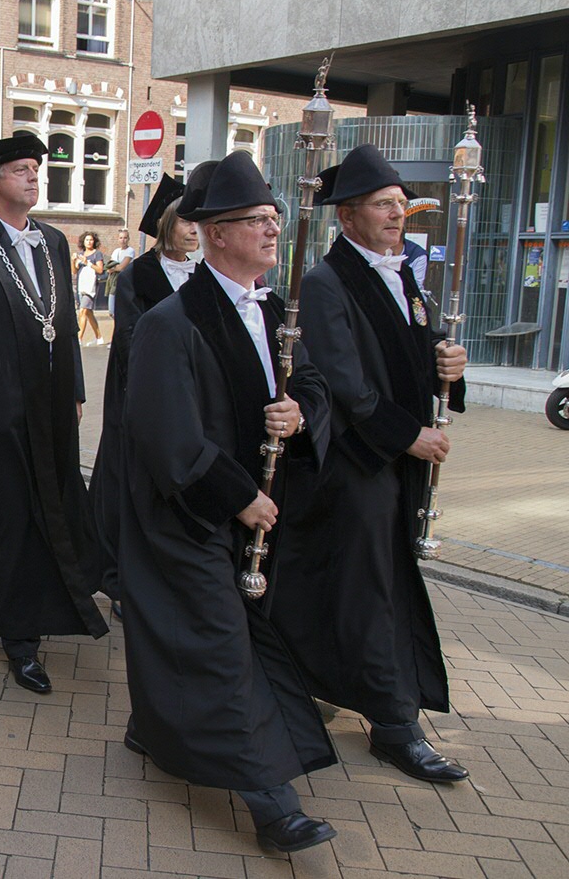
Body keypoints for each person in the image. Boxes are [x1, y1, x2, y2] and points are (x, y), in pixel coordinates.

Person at [119, 151, 337, 853]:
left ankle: (152, 724)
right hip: (188, 515)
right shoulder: (170, 322)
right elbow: (164, 433)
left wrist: (298, 413)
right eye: (256, 220)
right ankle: (272, 804)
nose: (273, 230)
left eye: (275, 218)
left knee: (227, 639)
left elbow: (317, 388)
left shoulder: (277, 310)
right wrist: (238, 495)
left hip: (256, 516)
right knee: (221, 647)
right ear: (213, 231)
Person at [269, 144, 471, 784]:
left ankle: (294, 677)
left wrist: (449, 365)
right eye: (384, 206)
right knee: (372, 590)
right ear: (348, 216)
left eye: (400, 205)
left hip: (389, 465)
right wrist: (408, 436)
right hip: (354, 466)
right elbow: (345, 382)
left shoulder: (400, 271)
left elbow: (413, 348)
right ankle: (393, 722)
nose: (397, 216)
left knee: (332, 581)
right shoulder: (327, 281)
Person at [0, 135, 107, 695]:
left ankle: (0, 601)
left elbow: (65, 331)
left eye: (37, 170)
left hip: (50, 404)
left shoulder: (54, 242)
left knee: (52, 504)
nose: (35, 178)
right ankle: (21, 637)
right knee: (9, 513)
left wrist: (75, 389)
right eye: (22, 170)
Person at [86, 176, 192, 605]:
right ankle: (119, 582)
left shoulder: (204, 274)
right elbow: (131, 340)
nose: (193, 228)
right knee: (128, 488)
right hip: (140, 397)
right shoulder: (139, 275)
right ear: (165, 222)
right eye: (185, 219)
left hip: (190, 402)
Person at [73, 232, 105, 345]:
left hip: (91, 287)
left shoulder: (97, 254)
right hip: (81, 285)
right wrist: (73, 260)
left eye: (91, 240)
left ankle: (79, 338)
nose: (89, 242)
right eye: (87, 240)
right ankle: (99, 337)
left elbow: (100, 270)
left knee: (83, 310)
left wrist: (88, 263)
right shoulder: (81, 254)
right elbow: (74, 271)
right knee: (88, 312)